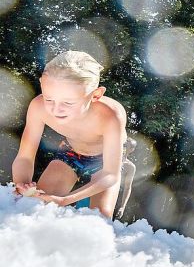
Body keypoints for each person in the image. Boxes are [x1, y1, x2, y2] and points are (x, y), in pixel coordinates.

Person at [12, 51, 127, 219]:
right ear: (42, 84)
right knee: (34, 209)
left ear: (96, 95)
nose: (56, 109)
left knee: (99, 221)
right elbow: (25, 157)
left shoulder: (111, 116)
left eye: (68, 102)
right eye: (49, 99)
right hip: (71, 153)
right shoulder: (38, 107)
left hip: (106, 162)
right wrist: (22, 185)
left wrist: (66, 200)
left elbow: (110, 174)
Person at [114, 138, 137, 220]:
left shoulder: (130, 167)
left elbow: (127, 187)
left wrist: (122, 207)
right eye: (122, 144)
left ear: (131, 149)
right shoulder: (109, 156)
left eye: (125, 145)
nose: (122, 146)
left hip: (111, 196)